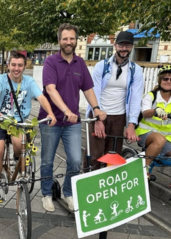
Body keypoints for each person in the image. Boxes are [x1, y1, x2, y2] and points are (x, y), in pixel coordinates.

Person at [39, 23, 106, 212]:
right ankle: (46, 193)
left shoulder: (80, 63)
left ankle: (68, 192)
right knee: (47, 160)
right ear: (59, 40)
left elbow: (88, 89)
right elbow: (50, 90)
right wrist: (67, 110)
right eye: (65, 38)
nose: (69, 42)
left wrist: (97, 108)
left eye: (72, 38)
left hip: (72, 123)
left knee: (76, 160)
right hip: (50, 120)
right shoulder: (51, 62)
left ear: (76, 40)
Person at [0, 52, 56, 200]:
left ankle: (17, 157)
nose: (16, 68)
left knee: (20, 146)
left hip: (18, 122)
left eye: (19, 65)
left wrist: (50, 113)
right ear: (8, 65)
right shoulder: (1, 79)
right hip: (0, 121)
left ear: (25, 66)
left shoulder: (29, 82)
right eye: (13, 65)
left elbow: (42, 97)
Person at [86, 31, 144, 170]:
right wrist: (98, 118)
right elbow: (94, 91)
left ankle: (109, 188)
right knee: (95, 155)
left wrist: (131, 124)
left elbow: (136, 97)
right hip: (99, 113)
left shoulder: (136, 70)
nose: (124, 48)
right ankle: (90, 187)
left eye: (127, 45)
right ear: (115, 45)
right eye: (121, 45)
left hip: (119, 116)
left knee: (113, 156)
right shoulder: (102, 66)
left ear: (132, 47)